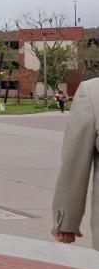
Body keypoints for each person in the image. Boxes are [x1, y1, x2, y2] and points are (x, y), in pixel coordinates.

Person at [51, 78, 99, 249]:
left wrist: (67, 223)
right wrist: (67, 220)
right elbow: (75, 162)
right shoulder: (93, 92)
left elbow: (74, 161)